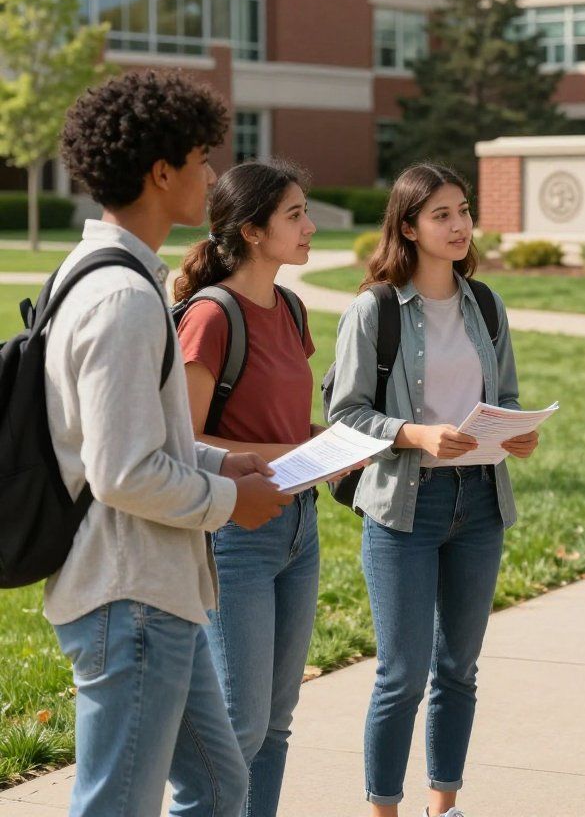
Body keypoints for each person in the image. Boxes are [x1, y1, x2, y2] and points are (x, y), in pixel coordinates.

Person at [45, 70, 291, 817]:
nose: (211, 174)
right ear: (161, 172)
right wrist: (230, 500)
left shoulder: (111, 275)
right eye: (200, 158)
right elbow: (121, 471)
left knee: (220, 787)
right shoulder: (122, 295)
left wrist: (219, 461)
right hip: (131, 595)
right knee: (117, 804)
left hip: (155, 592)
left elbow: (129, 435)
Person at [328, 162, 538, 817]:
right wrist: (415, 435)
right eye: (441, 214)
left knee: (458, 670)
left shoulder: (485, 303)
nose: (458, 225)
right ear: (410, 226)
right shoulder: (375, 310)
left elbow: (502, 398)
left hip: (480, 503)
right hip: (402, 509)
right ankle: (383, 810)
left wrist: (516, 432)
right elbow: (345, 413)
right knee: (400, 675)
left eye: (463, 211)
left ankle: (443, 806)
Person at [174, 160, 322, 817]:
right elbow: (185, 444)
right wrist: (302, 450)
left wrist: (340, 443)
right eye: (295, 215)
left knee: (275, 725)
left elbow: (288, 424)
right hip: (236, 536)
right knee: (237, 729)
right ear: (254, 232)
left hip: (299, 528)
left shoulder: (290, 307)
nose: (309, 226)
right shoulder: (211, 317)